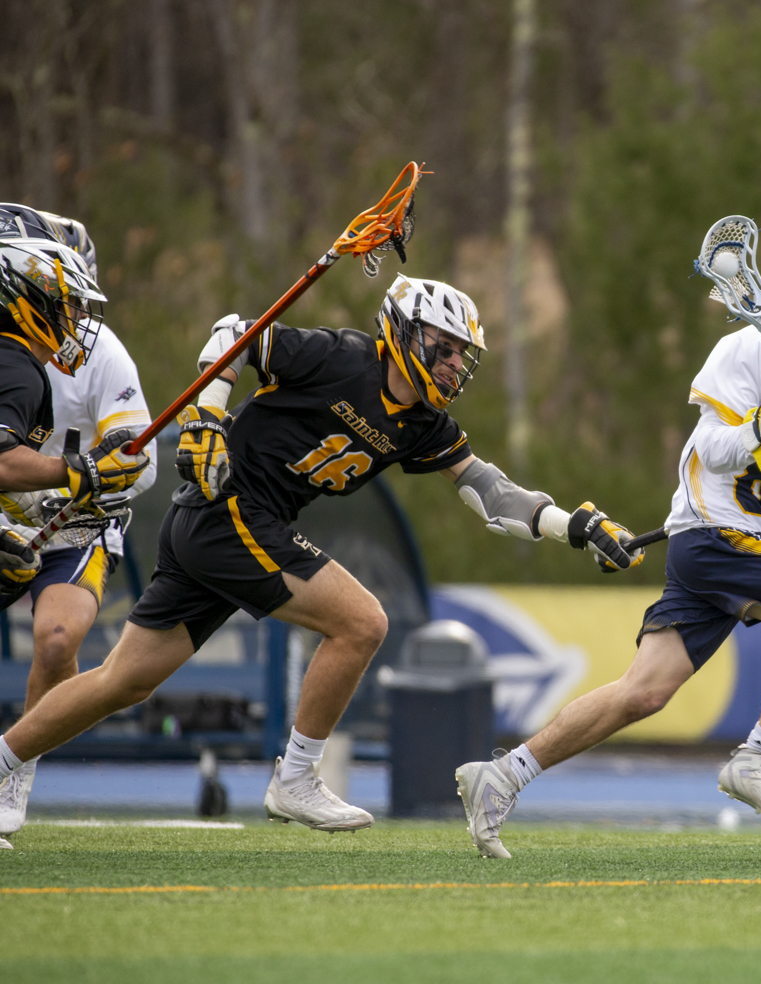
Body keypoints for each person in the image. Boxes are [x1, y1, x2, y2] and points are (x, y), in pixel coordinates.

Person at [0, 274, 643, 833]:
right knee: (362, 622)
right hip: (228, 510)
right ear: (404, 330)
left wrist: (575, 525)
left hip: (223, 526)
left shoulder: (421, 423)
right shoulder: (341, 357)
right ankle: (297, 777)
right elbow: (233, 335)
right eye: (443, 347)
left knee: (123, 682)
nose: (453, 364)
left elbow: (490, 492)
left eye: (460, 355)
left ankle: (3, 761)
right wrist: (206, 416)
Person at [457, 229, 761, 858]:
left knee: (642, 692)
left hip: (743, 537)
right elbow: (711, 450)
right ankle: (758, 758)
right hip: (713, 533)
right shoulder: (754, 346)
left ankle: (502, 776)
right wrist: (758, 428)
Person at [0, 207, 157, 838]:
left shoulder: (102, 354)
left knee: (57, 642)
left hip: (74, 523)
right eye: (65, 299)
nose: (76, 319)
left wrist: (97, 479)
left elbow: (139, 463)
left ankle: (14, 767)